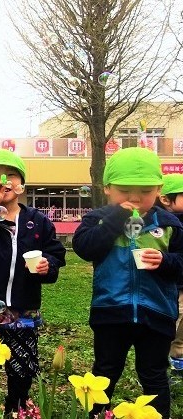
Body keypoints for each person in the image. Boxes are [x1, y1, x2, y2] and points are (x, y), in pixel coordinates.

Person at [73, 148, 183, 418]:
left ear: (159, 189)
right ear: (107, 188)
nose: (134, 198)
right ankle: (97, 414)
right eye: (125, 190)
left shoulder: (170, 225)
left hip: (156, 313)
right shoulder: (97, 220)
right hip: (110, 311)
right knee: (105, 371)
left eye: (145, 191)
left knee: (154, 373)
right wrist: (114, 220)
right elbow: (85, 248)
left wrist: (165, 261)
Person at [0, 149, 66, 414]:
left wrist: (47, 266)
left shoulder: (37, 221)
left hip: (24, 307)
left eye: (11, 175)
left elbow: (56, 254)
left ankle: (15, 406)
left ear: (22, 185)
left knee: (23, 364)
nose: (3, 180)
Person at [158, 173, 183, 376]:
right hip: (174, 286)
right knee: (174, 321)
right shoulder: (164, 225)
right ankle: (165, 361)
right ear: (166, 199)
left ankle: (178, 357)